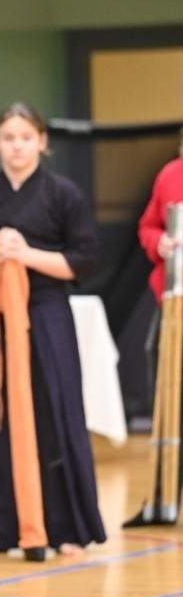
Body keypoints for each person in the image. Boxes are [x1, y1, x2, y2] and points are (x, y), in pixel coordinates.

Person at [0, 101, 107, 561]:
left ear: (42, 142)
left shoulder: (63, 194)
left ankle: (64, 528)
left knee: (55, 414)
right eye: (8, 138)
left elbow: (84, 262)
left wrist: (25, 254)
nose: (17, 146)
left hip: (47, 317)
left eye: (26, 137)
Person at [124, 147, 183, 526]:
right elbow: (147, 225)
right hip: (172, 300)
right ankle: (163, 496)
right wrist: (158, 241)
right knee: (166, 392)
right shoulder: (170, 174)